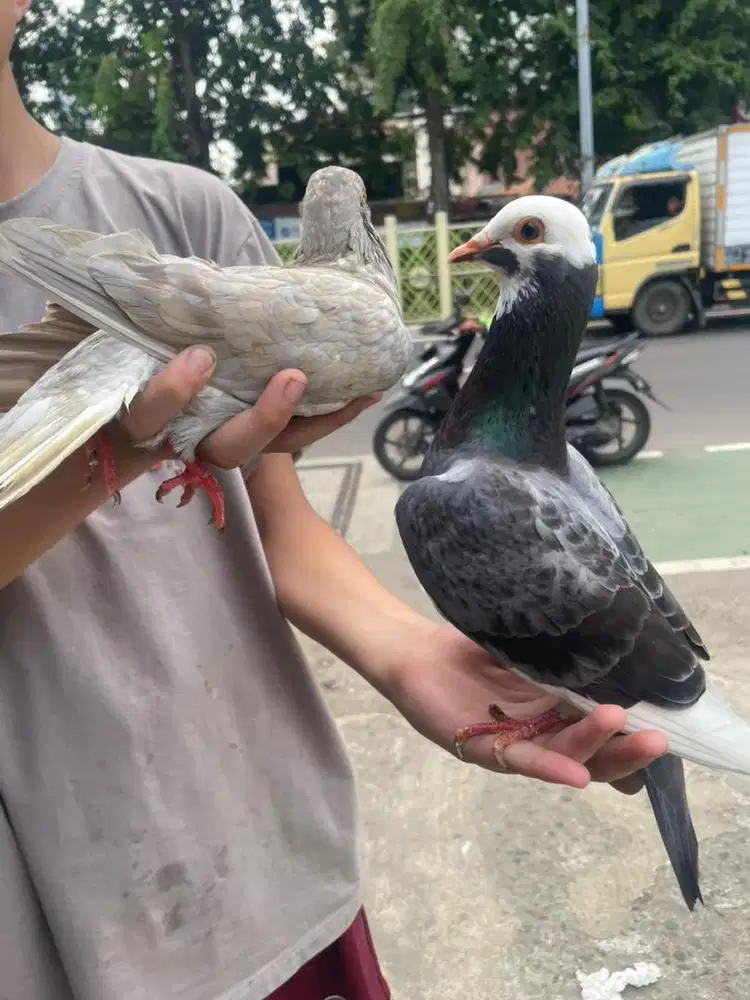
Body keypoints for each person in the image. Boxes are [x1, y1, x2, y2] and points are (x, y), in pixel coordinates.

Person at [0, 2, 668, 998]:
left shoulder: (188, 211)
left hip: (261, 857)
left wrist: (413, 657)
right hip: (45, 919)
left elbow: (286, 535)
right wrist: (115, 454)